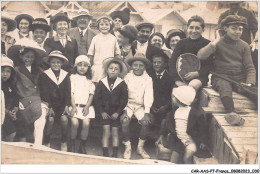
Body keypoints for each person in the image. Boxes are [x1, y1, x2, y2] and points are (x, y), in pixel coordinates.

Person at [197, 15, 256, 126]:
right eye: (234, 28)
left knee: (253, 92)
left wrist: (249, 82)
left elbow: (250, 67)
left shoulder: (244, 46)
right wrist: (216, 40)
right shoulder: (217, 43)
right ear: (225, 29)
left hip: (239, 77)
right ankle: (232, 113)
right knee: (224, 88)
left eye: (240, 29)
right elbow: (201, 56)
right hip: (221, 76)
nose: (238, 32)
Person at [7, 38, 48, 145]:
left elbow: (43, 88)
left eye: (31, 57)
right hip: (24, 100)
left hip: (37, 100)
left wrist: (45, 101)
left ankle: (37, 144)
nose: (29, 59)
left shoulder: (38, 70)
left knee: (40, 121)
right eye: (26, 56)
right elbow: (14, 88)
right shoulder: (16, 70)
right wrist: (17, 102)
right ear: (21, 56)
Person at [155, 86, 209, 164]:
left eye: (174, 98)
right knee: (173, 160)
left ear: (179, 100)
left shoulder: (195, 114)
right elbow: (167, 124)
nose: (173, 100)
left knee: (187, 158)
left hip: (191, 142)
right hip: (179, 142)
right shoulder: (174, 112)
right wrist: (161, 135)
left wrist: (203, 141)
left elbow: (203, 128)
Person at [120, 53, 153, 159]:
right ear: (131, 66)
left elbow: (149, 95)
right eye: (135, 65)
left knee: (145, 122)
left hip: (140, 106)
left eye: (141, 65)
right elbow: (123, 94)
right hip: (128, 105)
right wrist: (124, 110)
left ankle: (140, 147)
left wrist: (147, 111)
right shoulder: (127, 77)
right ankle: (127, 146)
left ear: (144, 67)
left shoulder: (148, 79)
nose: (137, 68)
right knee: (124, 121)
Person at [168, 15, 213, 91]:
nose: (194, 31)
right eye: (191, 27)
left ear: (203, 30)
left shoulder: (207, 44)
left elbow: (210, 65)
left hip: (199, 77)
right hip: (180, 77)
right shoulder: (181, 43)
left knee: (192, 86)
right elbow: (172, 62)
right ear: (187, 28)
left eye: (197, 28)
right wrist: (177, 80)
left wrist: (198, 73)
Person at [94, 57, 128, 157]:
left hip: (116, 113)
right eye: (111, 68)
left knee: (115, 131)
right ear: (107, 70)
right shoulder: (101, 82)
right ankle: (105, 152)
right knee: (106, 130)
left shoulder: (122, 83)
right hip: (104, 112)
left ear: (119, 72)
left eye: (116, 68)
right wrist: (102, 112)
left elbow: (124, 100)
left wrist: (118, 112)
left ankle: (114, 153)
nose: (113, 70)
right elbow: (97, 99)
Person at [38, 50, 71, 151]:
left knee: (64, 120)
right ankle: (47, 141)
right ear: (49, 63)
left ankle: (63, 141)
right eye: (53, 62)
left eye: (58, 62)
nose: (55, 64)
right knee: (50, 120)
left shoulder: (65, 75)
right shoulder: (44, 75)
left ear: (61, 63)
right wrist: (50, 107)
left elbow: (68, 92)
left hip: (62, 104)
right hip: (49, 104)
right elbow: (44, 93)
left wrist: (66, 105)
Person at [69, 55, 95, 154]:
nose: (82, 67)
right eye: (80, 65)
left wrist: (87, 107)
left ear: (88, 67)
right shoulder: (72, 78)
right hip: (75, 106)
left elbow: (91, 94)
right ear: (76, 66)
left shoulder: (89, 80)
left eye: (85, 65)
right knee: (75, 124)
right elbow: (71, 93)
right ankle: (72, 145)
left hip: (86, 107)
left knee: (86, 124)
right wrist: (74, 106)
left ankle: (82, 146)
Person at [87, 16, 121, 83]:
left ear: (110, 26)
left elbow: (117, 53)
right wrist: (89, 66)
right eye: (101, 25)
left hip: (109, 66)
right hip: (97, 65)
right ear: (98, 26)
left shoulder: (113, 38)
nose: (104, 27)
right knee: (96, 83)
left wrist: (117, 64)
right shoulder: (95, 38)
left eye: (106, 25)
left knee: (107, 83)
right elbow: (91, 53)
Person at [149, 51, 174, 127]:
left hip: (165, 109)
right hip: (151, 107)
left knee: (165, 122)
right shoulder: (149, 76)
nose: (156, 64)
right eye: (154, 62)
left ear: (165, 64)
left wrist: (166, 106)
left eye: (159, 62)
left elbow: (173, 96)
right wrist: (151, 106)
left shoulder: (171, 78)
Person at [1, 55, 19, 142]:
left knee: (22, 123)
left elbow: (16, 98)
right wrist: (8, 112)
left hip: (10, 112)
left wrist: (15, 109)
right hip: (2, 112)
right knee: (11, 131)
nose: (5, 74)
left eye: (8, 71)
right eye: (2, 71)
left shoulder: (11, 84)